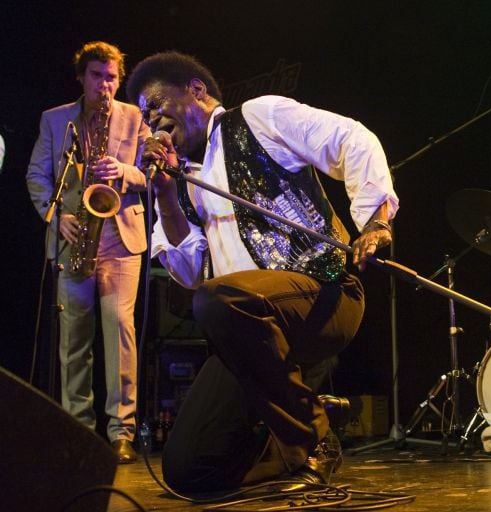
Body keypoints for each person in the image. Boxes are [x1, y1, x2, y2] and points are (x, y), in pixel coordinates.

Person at [125, 51, 398, 492]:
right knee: (188, 474)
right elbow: (192, 273)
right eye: (144, 114)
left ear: (196, 91)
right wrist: (167, 194)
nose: (151, 118)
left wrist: (375, 219)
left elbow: (352, 139)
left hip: (324, 294)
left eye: (156, 103)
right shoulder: (179, 176)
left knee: (219, 299)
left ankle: (312, 439)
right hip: (246, 329)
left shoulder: (257, 116)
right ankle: (295, 430)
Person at [26, 41, 150, 463]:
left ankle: (122, 433)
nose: (105, 85)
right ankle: (79, 430)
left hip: (119, 240)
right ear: (82, 77)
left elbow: (154, 172)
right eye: (97, 76)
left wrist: (126, 171)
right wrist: (54, 214)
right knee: (73, 342)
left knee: (120, 333)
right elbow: (37, 175)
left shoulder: (136, 117)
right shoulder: (55, 120)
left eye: (112, 77)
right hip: (73, 237)